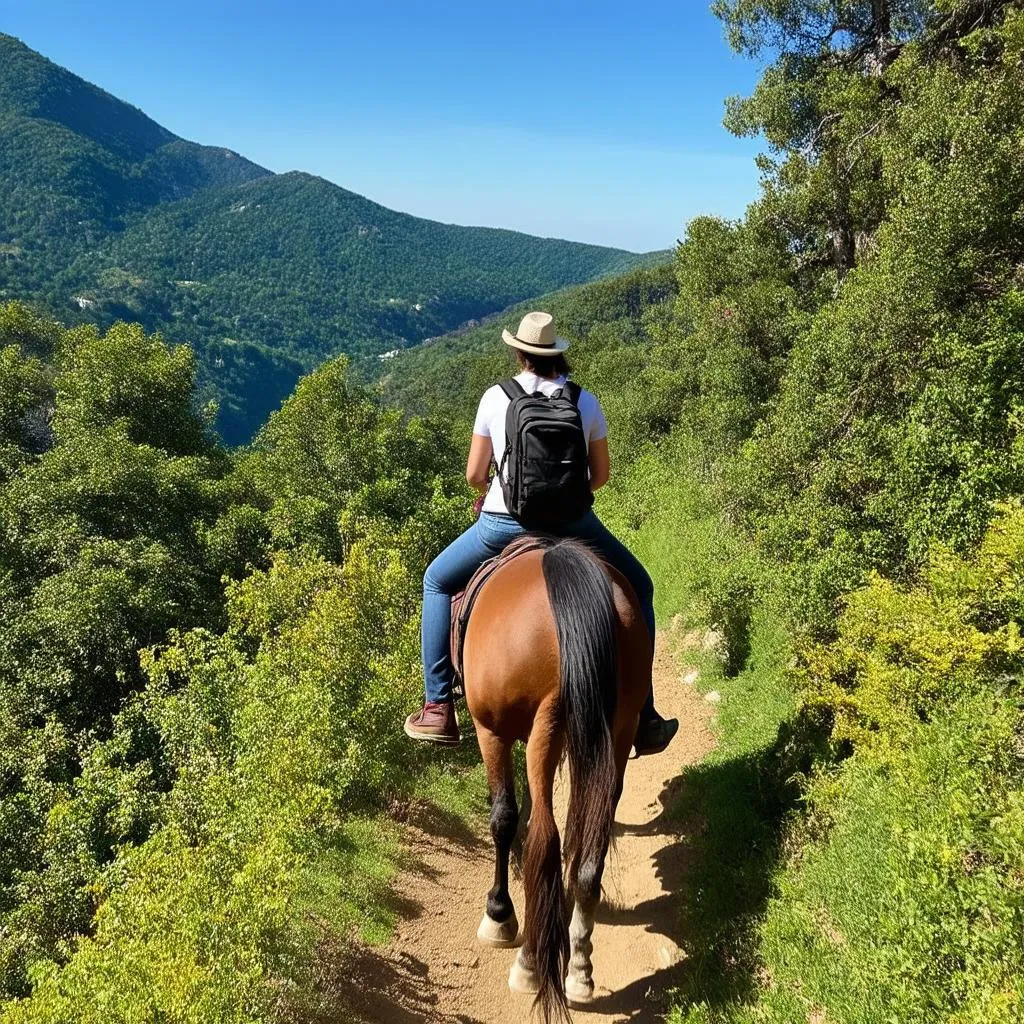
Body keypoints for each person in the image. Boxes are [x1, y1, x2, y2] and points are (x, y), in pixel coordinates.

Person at [405, 311, 679, 754]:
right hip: (574, 523)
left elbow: (475, 475)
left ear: (518, 353)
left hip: (503, 524)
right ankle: (644, 711)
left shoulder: (495, 398)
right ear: (557, 356)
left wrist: (503, 485)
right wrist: (567, 501)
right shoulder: (584, 401)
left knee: (435, 581)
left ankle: (438, 705)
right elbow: (602, 474)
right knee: (640, 587)